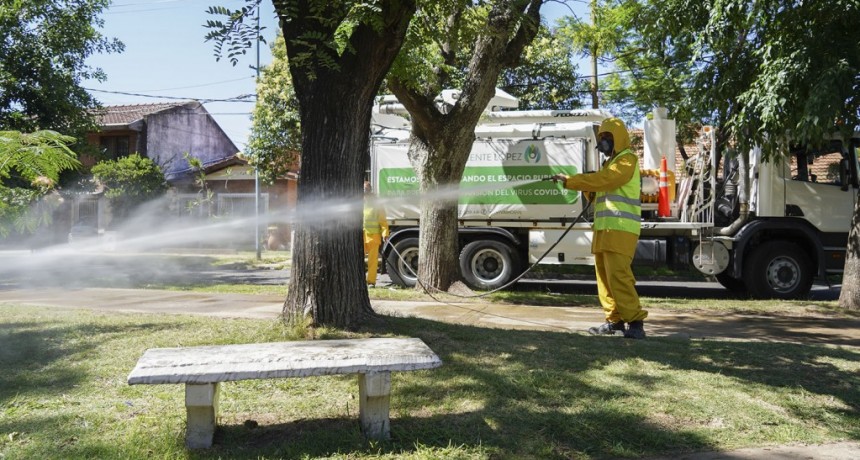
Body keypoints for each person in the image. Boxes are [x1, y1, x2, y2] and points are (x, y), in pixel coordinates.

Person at [551, 117, 648, 339]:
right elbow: (599, 193)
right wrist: (585, 187)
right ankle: (614, 321)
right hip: (604, 229)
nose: (603, 141)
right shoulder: (610, 165)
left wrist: (573, 181)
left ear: (619, 138)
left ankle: (635, 322)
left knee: (619, 276)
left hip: (621, 229)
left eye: (607, 137)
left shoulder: (627, 160)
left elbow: (606, 180)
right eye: (601, 137)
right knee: (604, 278)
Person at [363, 181, 389, 286]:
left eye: (367, 190)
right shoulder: (359, 202)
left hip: (373, 236)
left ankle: (371, 281)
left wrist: (385, 233)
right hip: (362, 236)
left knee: (372, 261)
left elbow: (383, 220)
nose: (365, 192)